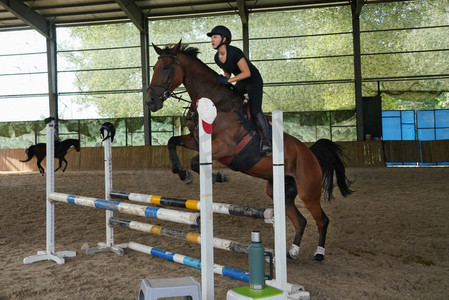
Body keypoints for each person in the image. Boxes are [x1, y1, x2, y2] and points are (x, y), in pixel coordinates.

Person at [207, 25, 272, 153]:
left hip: (253, 80)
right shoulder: (217, 57)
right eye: (212, 38)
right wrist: (224, 79)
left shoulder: (235, 52)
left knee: (255, 109)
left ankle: (267, 141)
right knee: (231, 100)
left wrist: (228, 80)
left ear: (224, 39)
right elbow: (227, 72)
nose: (212, 40)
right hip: (241, 81)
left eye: (215, 37)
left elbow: (247, 73)